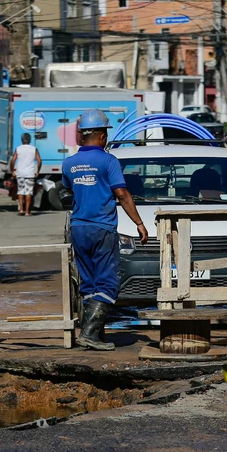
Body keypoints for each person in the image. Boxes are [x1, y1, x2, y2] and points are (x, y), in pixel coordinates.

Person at [61, 109, 149, 351]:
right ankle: (89, 333)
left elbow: (69, 190)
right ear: (101, 136)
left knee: (88, 284)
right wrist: (139, 223)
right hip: (102, 229)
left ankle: (93, 336)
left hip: (79, 228)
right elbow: (122, 193)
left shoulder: (69, 164)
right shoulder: (108, 161)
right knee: (108, 283)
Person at [11, 133, 42, 216]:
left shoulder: (18, 149)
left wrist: (12, 171)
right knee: (29, 192)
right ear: (30, 140)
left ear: (22, 140)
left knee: (20, 191)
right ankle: (27, 211)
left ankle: (21, 209)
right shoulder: (34, 149)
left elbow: (13, 160)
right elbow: (39, 161)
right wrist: (38, 171)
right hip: (30, 173)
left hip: (20, 173)